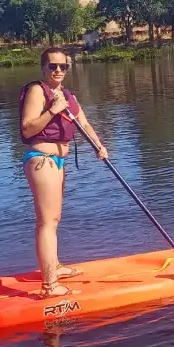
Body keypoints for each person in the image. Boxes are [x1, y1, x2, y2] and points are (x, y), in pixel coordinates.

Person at [19, 47, 108, 299]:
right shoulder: (38, 90)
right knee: (46, 221)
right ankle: (49, 286)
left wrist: (99, 146)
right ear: (43, 68)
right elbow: (27, 128)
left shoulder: (67, 95)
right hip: (42, 159)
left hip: (58, 161)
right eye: (53, 66)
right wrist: (53, 111)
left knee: (54, 218)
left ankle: (55, 266)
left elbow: (85, 123)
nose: (58, 70)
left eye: (63, 66)